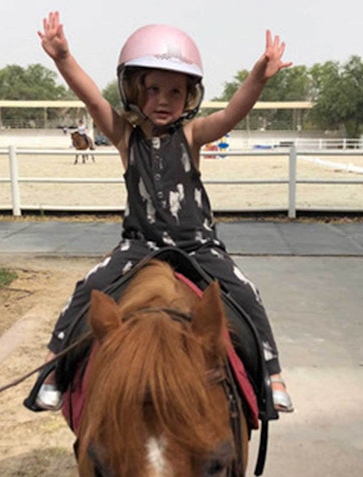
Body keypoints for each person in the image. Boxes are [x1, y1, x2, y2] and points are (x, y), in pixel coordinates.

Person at [35, 11, 294, 413]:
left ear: (189, 98)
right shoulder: (125, 136)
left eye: (175, 92)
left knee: (246, 292)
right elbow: (92, 98)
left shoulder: (191, 135)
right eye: (153, 89)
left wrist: (257, 77)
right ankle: (54, 370)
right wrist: (63, 58)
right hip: (139, 245)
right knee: (87, 289)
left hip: (198, 245)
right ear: (135, 91)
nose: (163, 100)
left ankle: (270, 375)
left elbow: (232, 114)